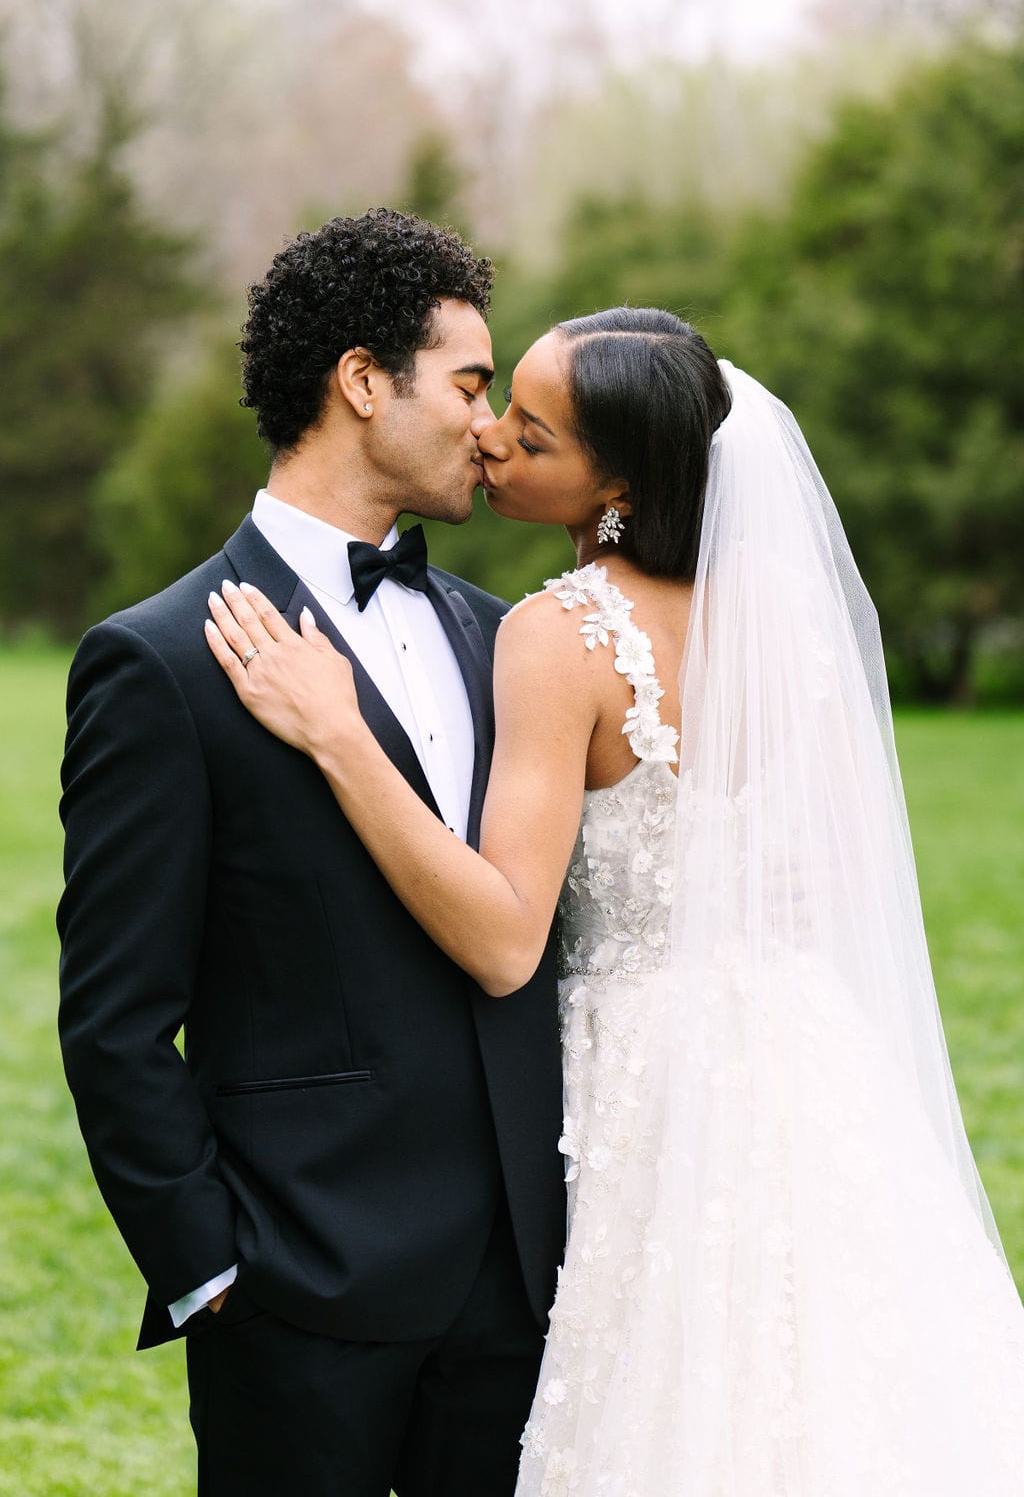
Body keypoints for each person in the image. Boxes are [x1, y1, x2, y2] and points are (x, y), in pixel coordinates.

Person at [207, 305, 1024, 1495]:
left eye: (532, 439)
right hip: (812, 1069)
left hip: (648, 1077)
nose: (490, 443)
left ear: (619, 488)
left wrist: (340, 737)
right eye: (500, 407)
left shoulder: (558, 634)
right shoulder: (787, 637)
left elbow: (500, 942)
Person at [57, 208, 566, 1497]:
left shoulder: (505, 638)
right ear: (358, 384)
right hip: (298, 1300)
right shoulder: (160, 664)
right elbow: (116, 1019)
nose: (487, 420)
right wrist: (212, 1269)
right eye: (465, 382)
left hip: (521, 1298)